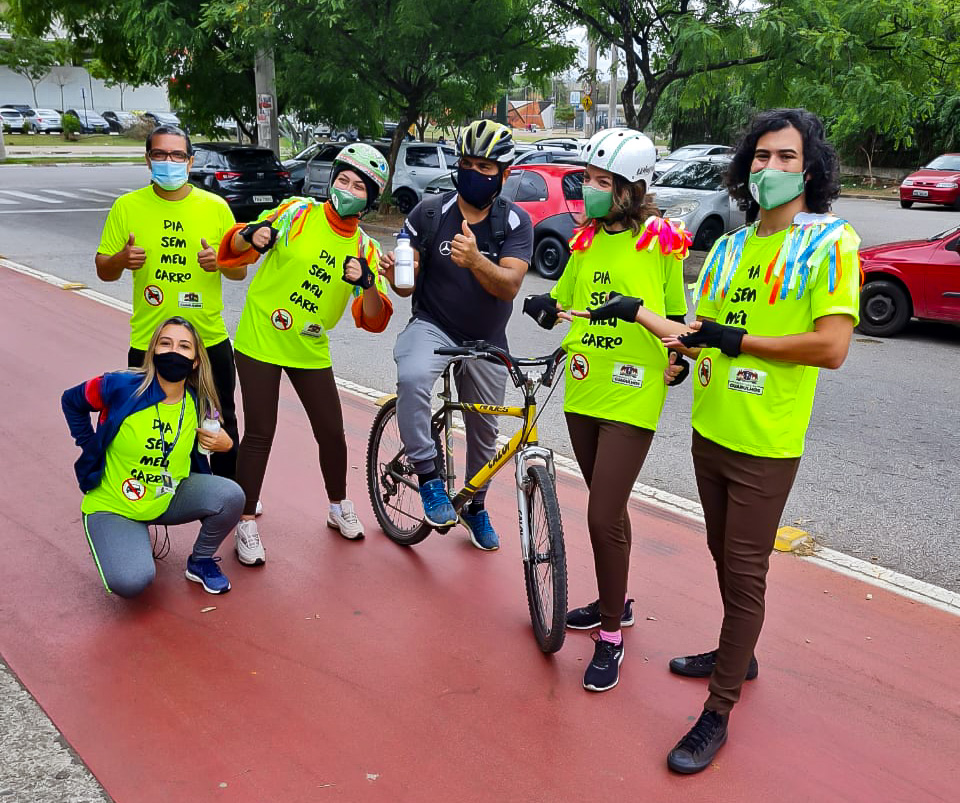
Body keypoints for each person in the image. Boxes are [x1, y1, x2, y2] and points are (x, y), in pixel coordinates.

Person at [582, 109, 861, 773]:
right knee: (721, 556)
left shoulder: (829, 242)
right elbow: (700, 324)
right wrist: (678, 350)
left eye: (786, 158)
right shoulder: (732, 247)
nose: (769, 168)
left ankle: (717, 709)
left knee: (744, 573)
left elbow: (832, 345)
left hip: (765, 443)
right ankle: (744, 650)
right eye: (760, 157)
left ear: (810, 169)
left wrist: (743, 342)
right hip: (710, 431)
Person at [522, 128, 691, 692]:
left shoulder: (663, 241)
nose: (589, 190)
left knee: (599, 514)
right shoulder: (584, 240)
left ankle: (611, 637)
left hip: (632, 392)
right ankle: (616, 601)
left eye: (601, 182)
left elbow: (680, 330)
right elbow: (568, 303)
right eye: (588, 179)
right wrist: (547, 307)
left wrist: (640, 315)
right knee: (608, 512)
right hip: (582, 389)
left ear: (630, 187)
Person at [217, 143, 393, 565]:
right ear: (332, 180)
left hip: (311, 345)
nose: (347, 189)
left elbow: (374, 319)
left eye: (359, 186)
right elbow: (236, 248)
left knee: (331, 430)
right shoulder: (296, 213)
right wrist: (252, 234)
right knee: (261, 429)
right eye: (343, 180)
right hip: (262, 334)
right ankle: (246, 521)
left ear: (370, 198)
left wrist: (367, 281)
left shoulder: (366, 248)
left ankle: (338, 505)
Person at [379, 119, 533, 550]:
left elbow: (510, 285)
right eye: (466, 163)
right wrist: (396, 275)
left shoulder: (516, 223)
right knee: (412, 377)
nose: (473, 173)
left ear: (503, 174)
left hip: (487, 338)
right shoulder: (428, 213)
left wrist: (476, 261)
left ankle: (476, 505)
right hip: (434, 324)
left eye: (485, 166)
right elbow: (407, 285)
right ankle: (428, 476)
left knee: (486, 431)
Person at [95, 125, 244, 481]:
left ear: (190, 162)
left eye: (177, 155)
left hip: (208, 340)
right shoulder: (126, 207)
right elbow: (103, 270)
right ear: (148, 160)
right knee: (148, 421)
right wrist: (122, 259)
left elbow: (239, 271)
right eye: (160, 155)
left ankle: (233, 500)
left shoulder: (215, 207)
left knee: (221, 418)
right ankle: (158, 494)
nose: (169, 162)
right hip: (148, 341)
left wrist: (220, 263)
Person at [62, 317, 244, 597]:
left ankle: (200, 561)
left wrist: (226, 443)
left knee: (231, 496)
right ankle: (124, 534)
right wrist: (89, 445)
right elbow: (71, 400)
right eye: (165, 343)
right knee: (132, 582)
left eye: (184, 346)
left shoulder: (197, 401)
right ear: (153, 352)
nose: (173, 352)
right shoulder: (119, 386)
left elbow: (216, 436)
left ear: (195, 361)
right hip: (114, 503)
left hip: (167, 493)